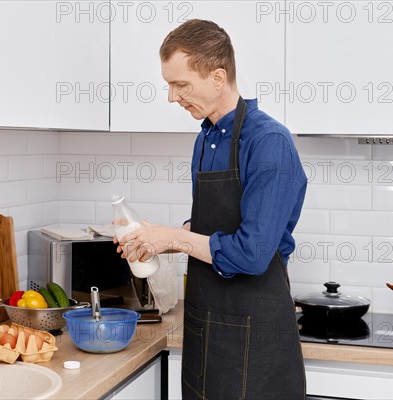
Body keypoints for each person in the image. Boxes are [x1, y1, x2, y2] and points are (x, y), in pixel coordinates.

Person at [115, 19, 307, 399]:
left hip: (257, 340)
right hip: (206, 331)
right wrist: (164, 239)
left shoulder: (270, 142)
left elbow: (252, 254)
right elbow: (218, 223)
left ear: (218, 77)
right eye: (169, 85)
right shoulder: (206, 139)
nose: (173, 97)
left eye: (181, 85)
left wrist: (176, 238)